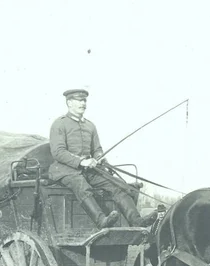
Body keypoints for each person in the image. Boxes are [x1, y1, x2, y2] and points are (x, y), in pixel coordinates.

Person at [49, 89, 159, 228]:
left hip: (89, 171)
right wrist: (81, 161)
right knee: (81, 185)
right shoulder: (59, 124)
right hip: (65, 171)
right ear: (69, 103)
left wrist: (99, 158)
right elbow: (58, 152)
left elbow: (97, 149)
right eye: (79, 100)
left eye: (84, 100)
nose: (83, 103)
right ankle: (101, 220)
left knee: (118, 185)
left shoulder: (90, 125)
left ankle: (136, 221)